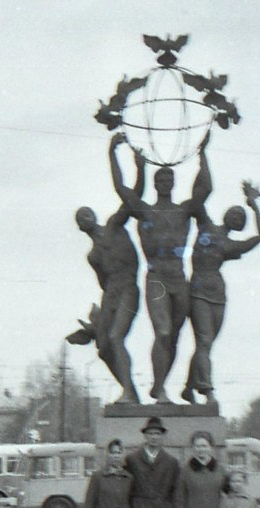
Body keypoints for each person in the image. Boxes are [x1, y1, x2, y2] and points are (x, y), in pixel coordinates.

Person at [110, 130, 211, 403]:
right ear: (155, 184)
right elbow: (121, 189)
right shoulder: (146, 211)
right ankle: (161, 390)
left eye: (169, 179)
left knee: (173, 336)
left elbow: (205, 189)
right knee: (163, 332)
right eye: (161, 179)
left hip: (179, 276)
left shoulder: (183, 210)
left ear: (174, 183)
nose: (165, 182)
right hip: (156, 277)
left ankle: (159, 384)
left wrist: (203, 154)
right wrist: (113, 154)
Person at [67, 141, 146, 404]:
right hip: (111, 294)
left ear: (95, 215)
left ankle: (128, 392)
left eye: (87, 214)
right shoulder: (93, 255)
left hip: (129, 289)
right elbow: (103, 283)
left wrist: (139, 168)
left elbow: (132, 197)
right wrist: (97, 322)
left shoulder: (114, 225)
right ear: (80, 227)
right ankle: (130, 390)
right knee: (103, 347)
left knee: (115, 337)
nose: (85, 218)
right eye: (80, 218)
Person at [181, 180, 260, 405]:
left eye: (241, 217)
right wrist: (203, 166)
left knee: (206, 344)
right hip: (198, 290)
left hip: (218, 294)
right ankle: (207, 389)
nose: (237, 217)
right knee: (204, 341)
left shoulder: (230, 246)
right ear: (226, 214)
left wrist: (254, 206)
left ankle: (188, 388)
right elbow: (198, 200)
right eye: (235, 213)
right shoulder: (206, 226)